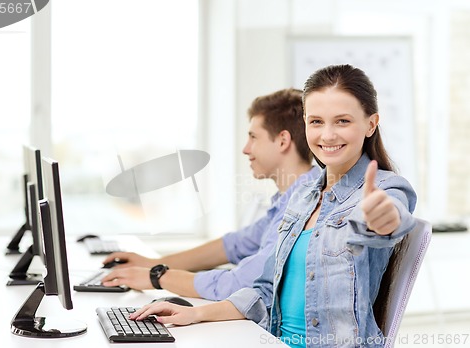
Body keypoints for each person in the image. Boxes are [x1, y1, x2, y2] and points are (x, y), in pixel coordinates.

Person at [129, 64, 418, 348]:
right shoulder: (303, 194)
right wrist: (195, 313)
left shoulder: (385, 189)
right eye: (316, 121)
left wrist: (383, 219)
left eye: (342, 121)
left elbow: (394, 218)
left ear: (371, 124)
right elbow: (264, 290)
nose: (327, 135)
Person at [101, 88, 321, 300]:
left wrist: (157, 277)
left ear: (282, 141)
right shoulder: (290, 199)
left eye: (253, 137)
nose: (246, 149)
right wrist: (153, 262)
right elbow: (234, 245)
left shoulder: (306, 204)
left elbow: (241, 282)